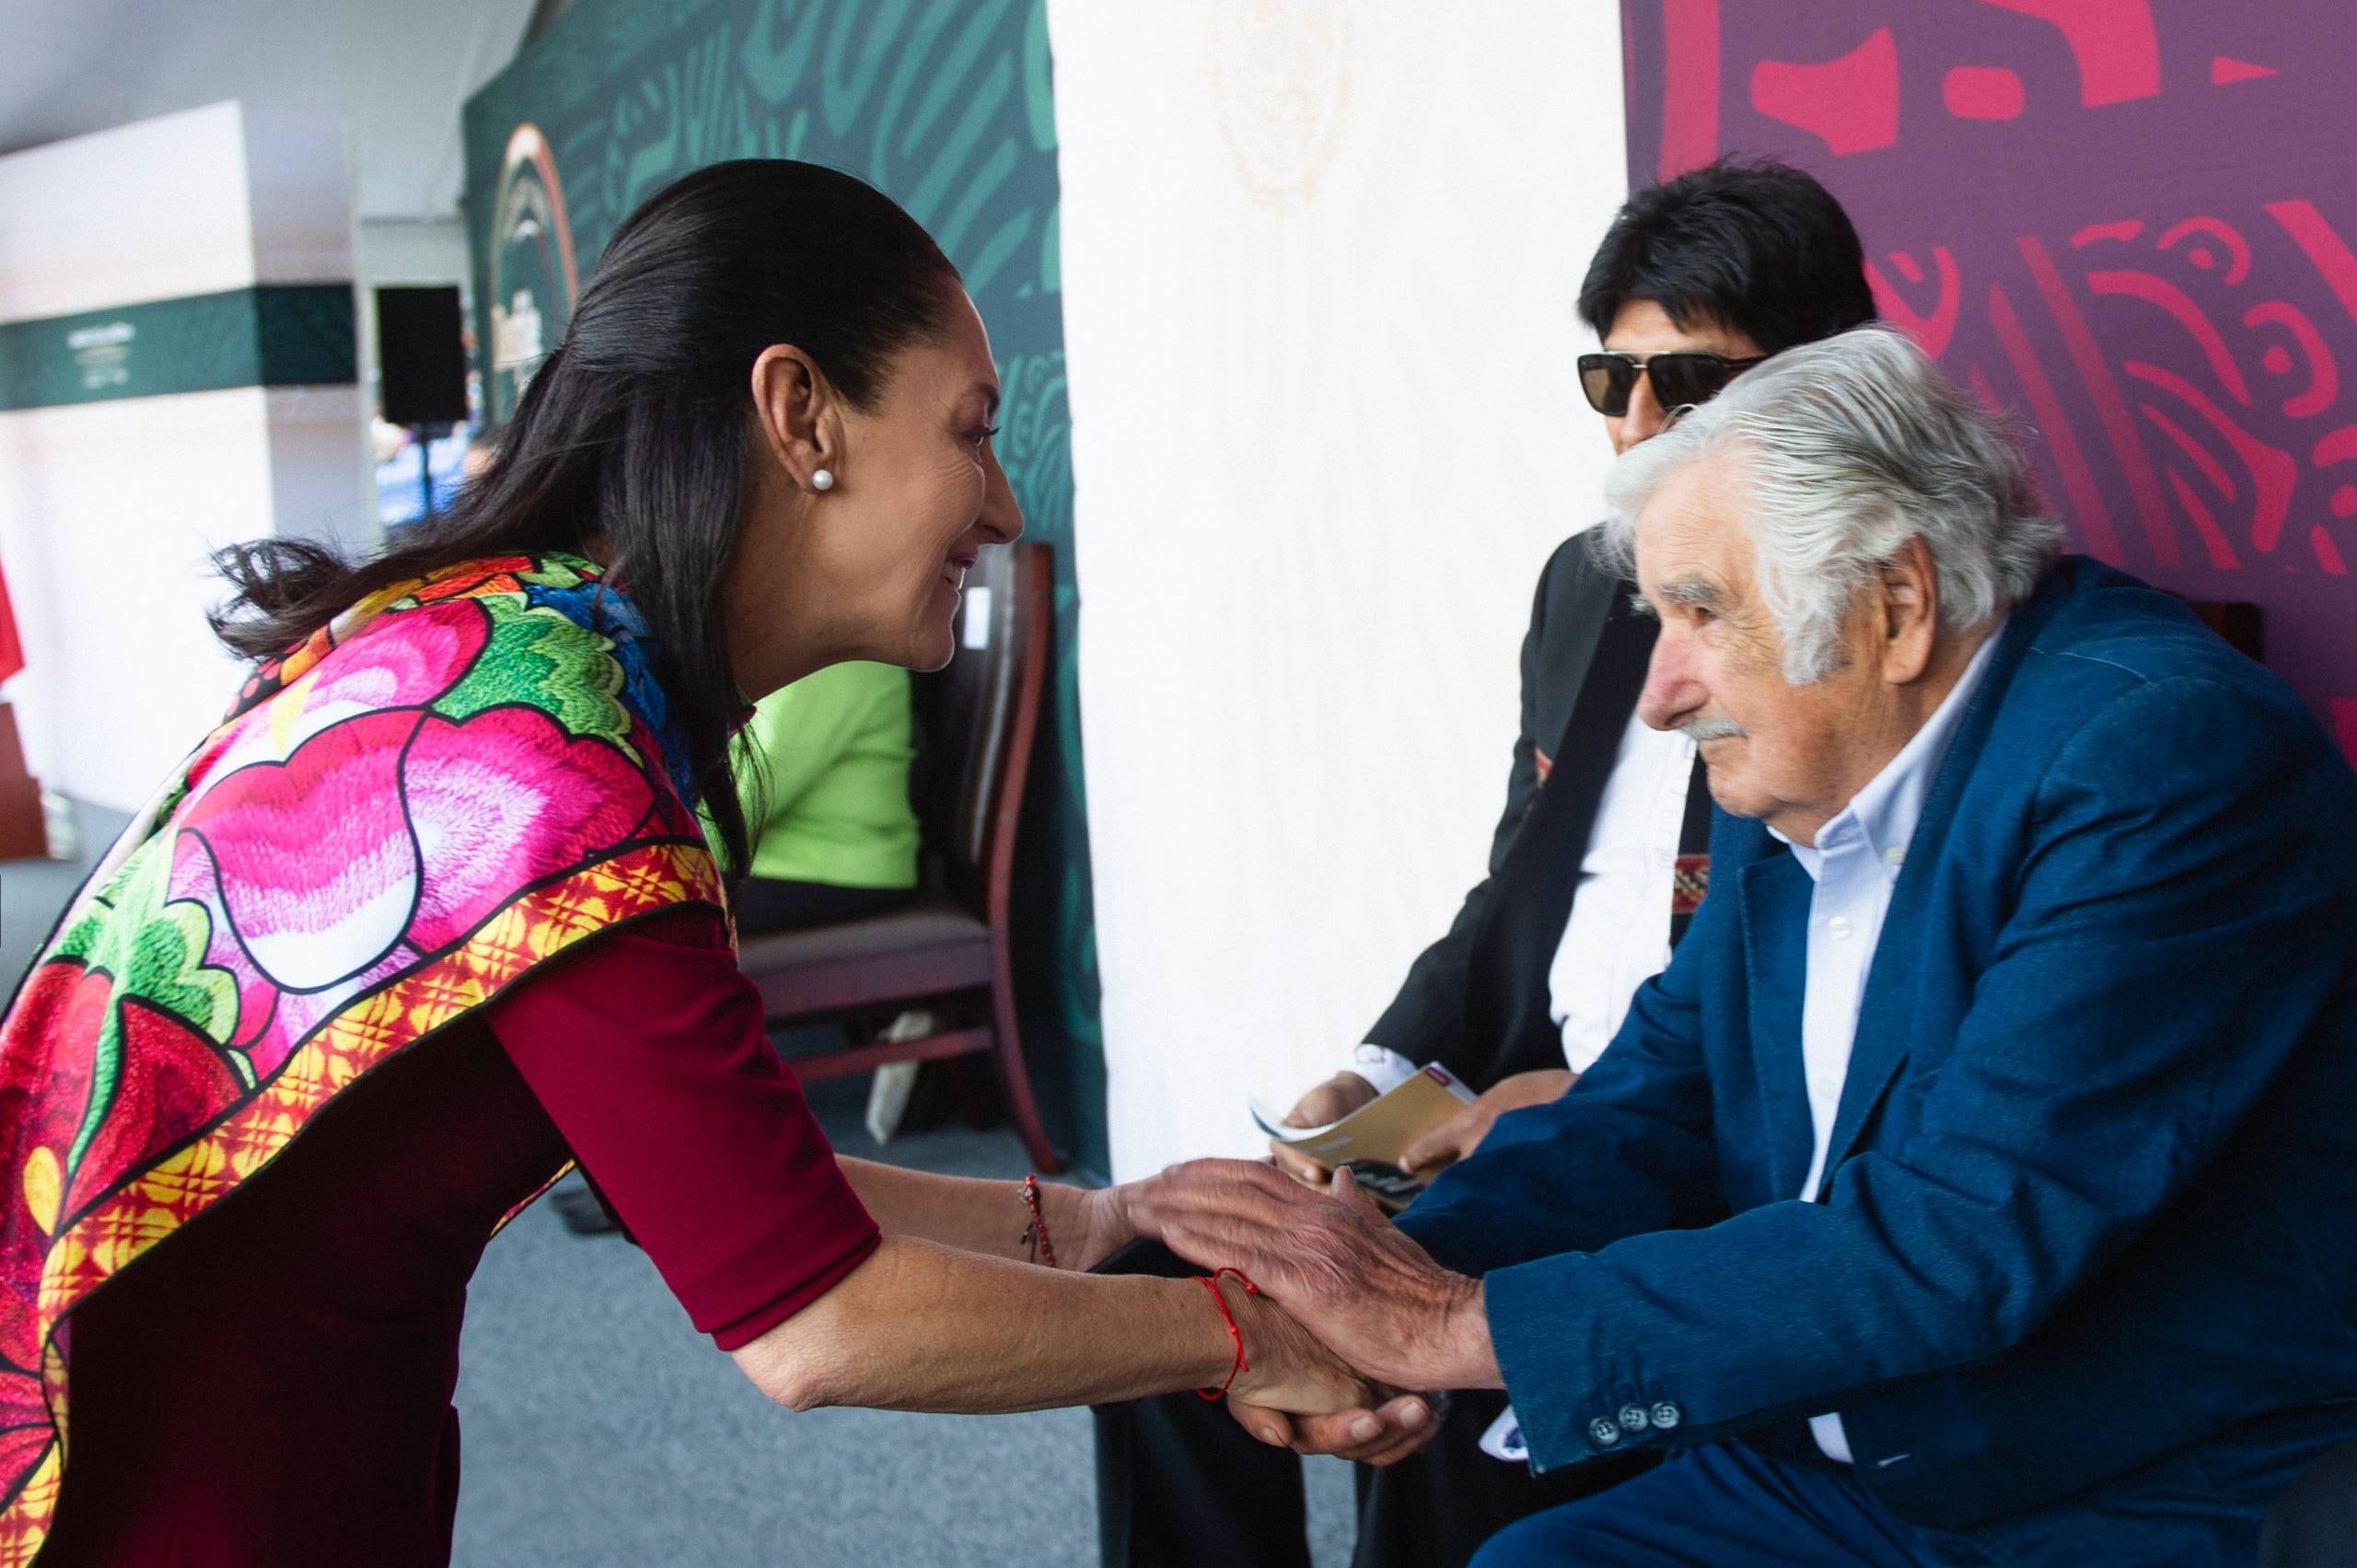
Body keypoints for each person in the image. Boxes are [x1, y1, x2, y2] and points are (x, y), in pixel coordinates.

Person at [0, 161, 1399, 1568]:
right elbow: (817, 1315)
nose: (1000, 506)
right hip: (176, 1497)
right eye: (971, 431)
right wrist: (1244, 1334)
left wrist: (1107, 1217)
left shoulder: (496, 655)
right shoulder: (542, 765)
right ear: (800, 414)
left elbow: (757, 1192)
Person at [1126, 327, 2357, 1563]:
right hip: (1845, 1460)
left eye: (1700, 612)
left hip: (2125, 1489)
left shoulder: (2162, 755)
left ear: (1896, 602)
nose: (1657, 693)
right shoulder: (1811, 752)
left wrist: (1454, 1322)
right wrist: (1367, 1275)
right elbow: (1653, 1105)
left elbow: (1964, 1234)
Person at [1093, 157, 1880, 1568]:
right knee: (1170, 1281)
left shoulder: (1868, 628)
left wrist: (1572, 1098)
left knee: (1439, 1316)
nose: (1636, 429)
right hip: (1492, 1101)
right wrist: (1379, 1080)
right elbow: (1514, 891)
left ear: (1820, 389)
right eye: (1611, 382)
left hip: (1684, 1136)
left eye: (1688, 388)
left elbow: (1847, 1002)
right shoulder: (1586, 584)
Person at [731, 659, 923, 935]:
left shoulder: (828, 658)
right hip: (772, 868)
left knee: (658, 909)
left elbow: (737, 806)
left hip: (831, 874)